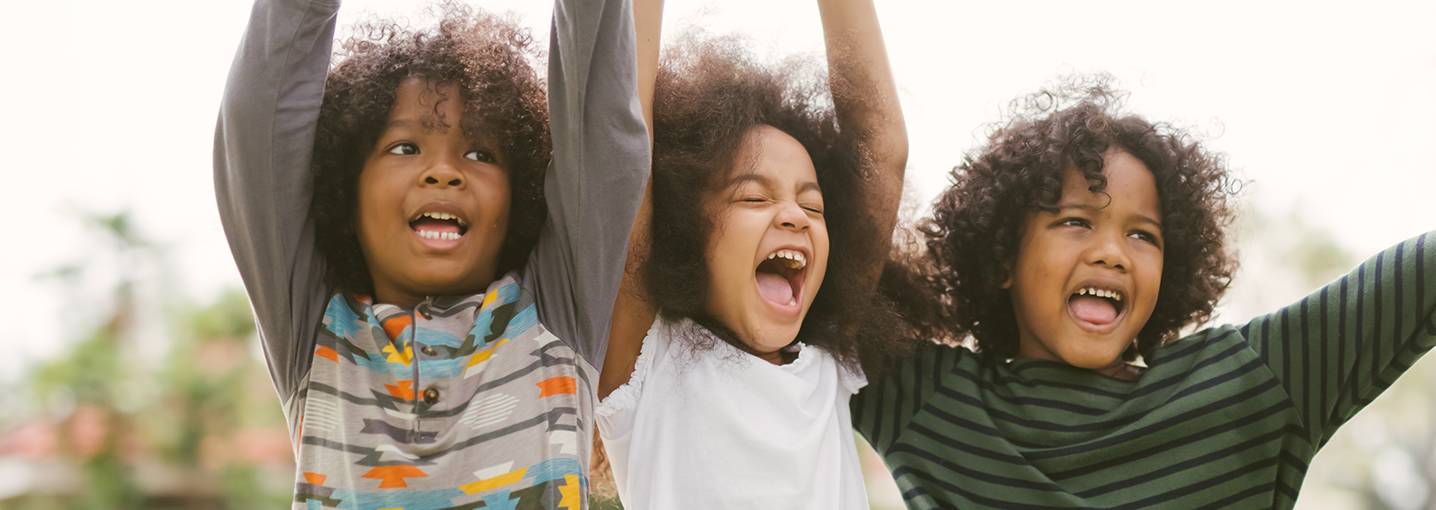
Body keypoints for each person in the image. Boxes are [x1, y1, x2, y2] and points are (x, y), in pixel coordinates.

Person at [853, 79, 1436, 508]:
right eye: (1075, 221)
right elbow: (841, 230)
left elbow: (1406, 290)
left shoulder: (1244, 386)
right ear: (1001, 255)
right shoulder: (932, 404)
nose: (1112, 250)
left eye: (1143, 234)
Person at [212, 0, 646, 507]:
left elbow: (603, 129)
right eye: (404, 147)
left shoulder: (555, 312)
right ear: (344, 195)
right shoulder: (315, 331)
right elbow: (257, 122)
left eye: (481, 153)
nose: (444, 171)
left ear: (521, 197)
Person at [590, 0, 917, 507]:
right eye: (754, 197)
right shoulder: (648, 363)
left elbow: (880, 149)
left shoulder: (825, 368)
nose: (795, 215)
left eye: (813, 204)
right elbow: (626, 148)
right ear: (683, 233)